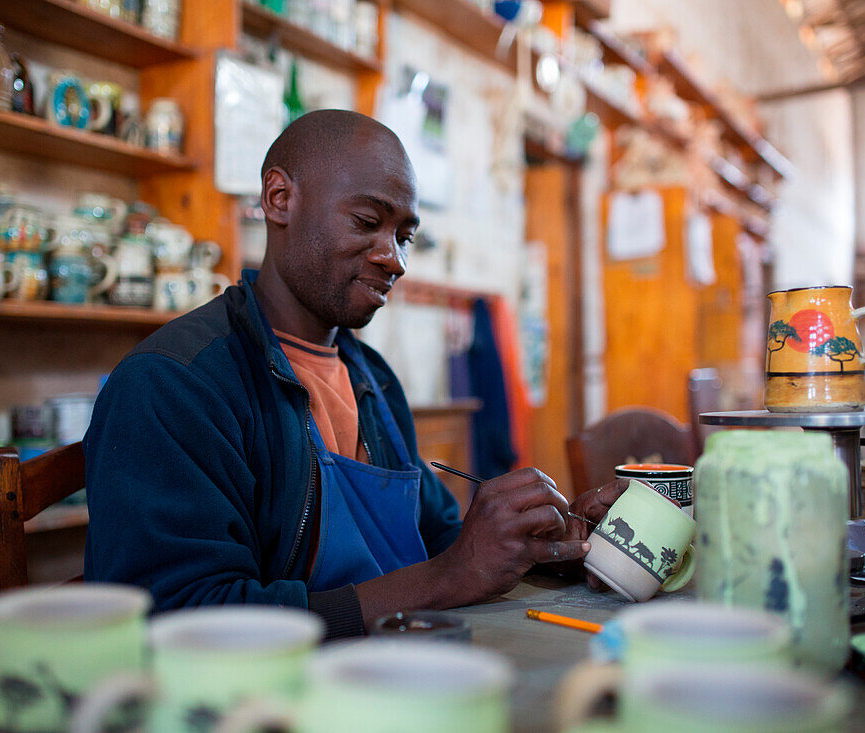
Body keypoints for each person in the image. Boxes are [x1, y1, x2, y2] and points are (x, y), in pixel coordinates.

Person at [84, 109, 626, 637]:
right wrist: (447, 575)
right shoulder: (177, 384)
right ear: (280, 199)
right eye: (368, 223)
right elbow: (185, 621)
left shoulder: (373, 379)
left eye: (404, 236)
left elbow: (437, 539)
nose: (395, 259)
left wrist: (543, 542)